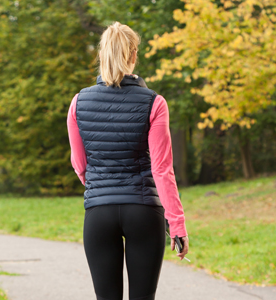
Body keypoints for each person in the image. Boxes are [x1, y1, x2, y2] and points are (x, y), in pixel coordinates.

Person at [66, 21, 189, 300]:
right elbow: (161, 170)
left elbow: (80, 165)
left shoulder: (78, 102)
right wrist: (177, 224)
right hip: (144, 211)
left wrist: (101, 185)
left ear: (101, 54)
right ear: (133, 54)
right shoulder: (154, 103)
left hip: (99, 214)